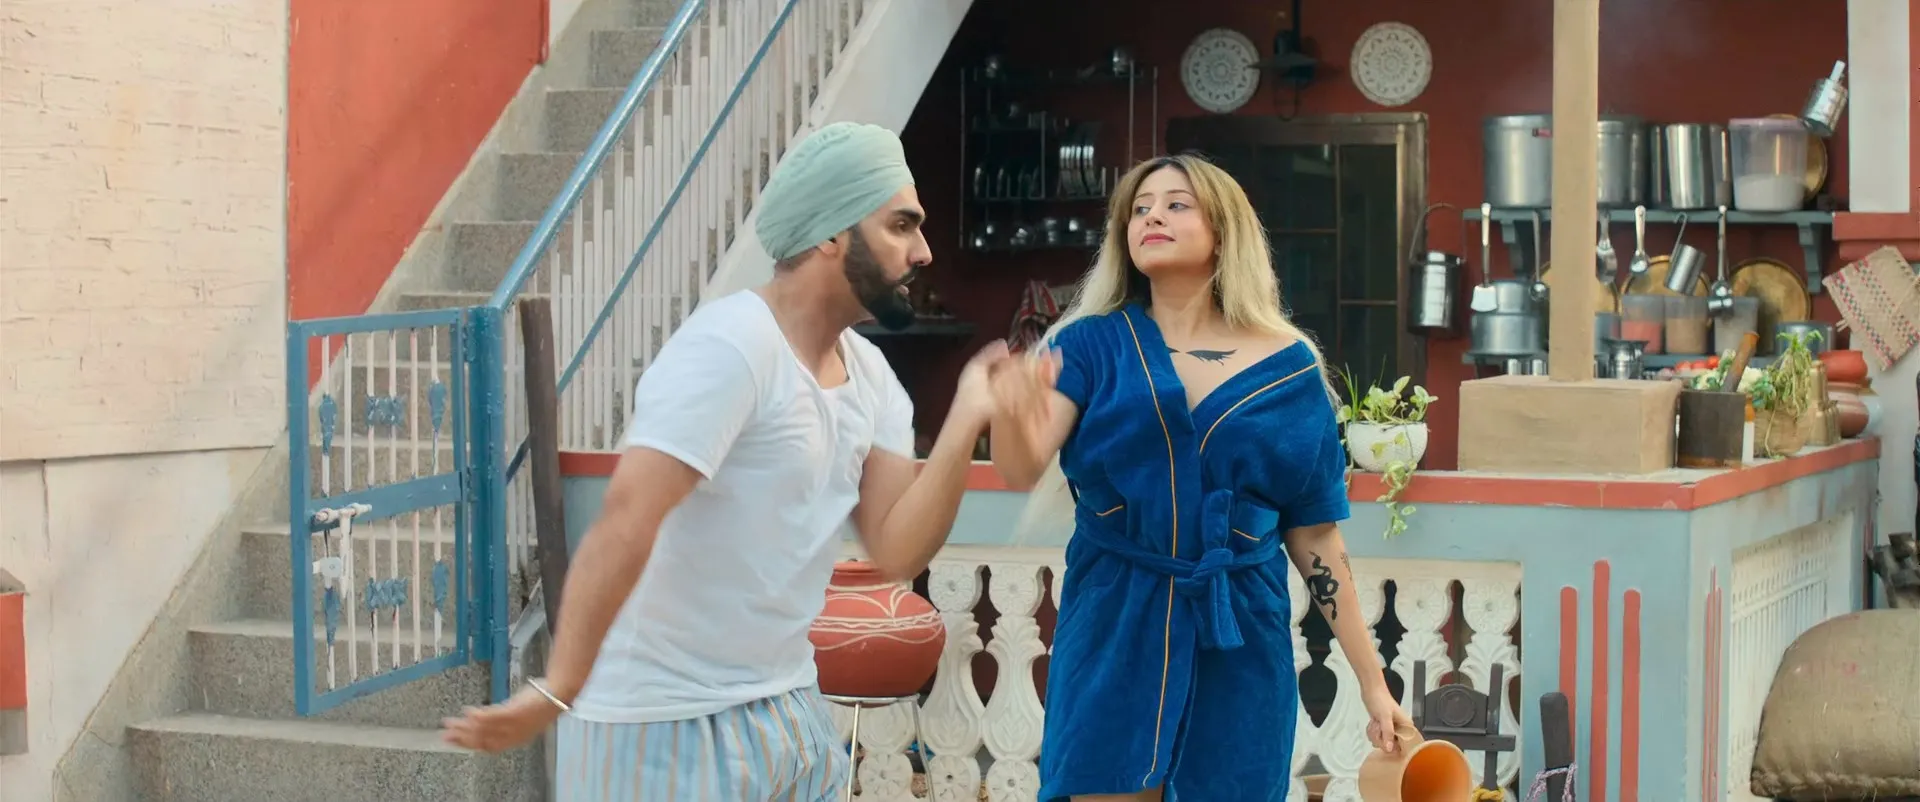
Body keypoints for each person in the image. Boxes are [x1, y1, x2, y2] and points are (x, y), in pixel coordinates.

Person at [441, 121, 1026, 801]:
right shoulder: (731, 347)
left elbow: (896, 549)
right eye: (901, 226)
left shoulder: (872, 378)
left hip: (790, 711)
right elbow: (627, 519)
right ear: (831, 235)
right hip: (660, 727)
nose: (923, 252)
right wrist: (559, 688)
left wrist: (966, 418)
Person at [986, 153, 1416, 802]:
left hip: (1240, 629)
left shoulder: (1291, 367)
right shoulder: (1088, 346)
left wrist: (1374, 684)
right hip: (1115, 619)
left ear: (1223, 230)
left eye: (1176, 204)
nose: (1152, 216)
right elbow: (1021, 466)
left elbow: (1316, 536)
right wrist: (1005, 408)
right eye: (1139, 209)